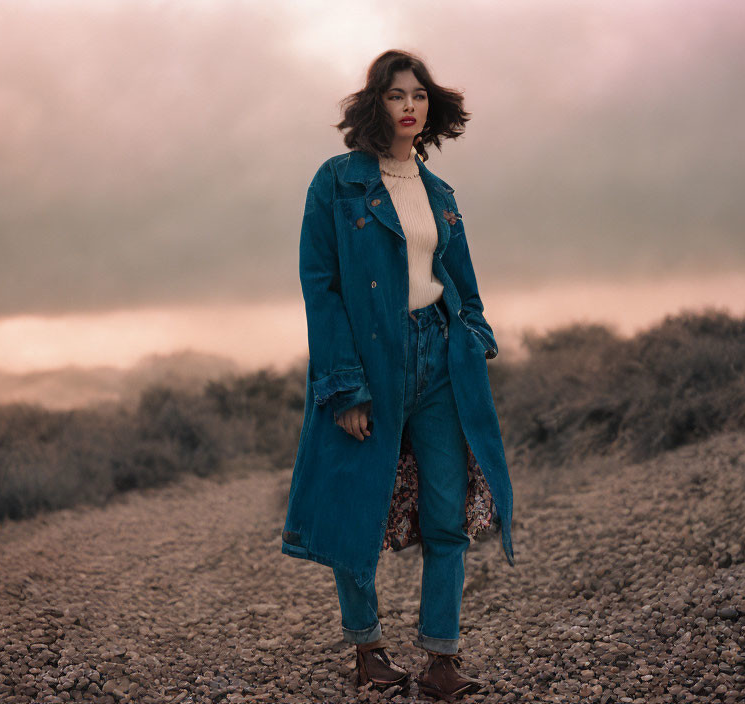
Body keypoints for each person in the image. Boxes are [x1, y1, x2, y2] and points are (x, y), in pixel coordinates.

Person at [281, 49, 515, 701]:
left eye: (418, 96)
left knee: (447, 515)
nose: (409, 106)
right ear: (374, 104)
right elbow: (320, 287)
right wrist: (343, 386)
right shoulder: (337, 183)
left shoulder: (439, 194)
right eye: (395, 95)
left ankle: (442, 662)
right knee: (358, 510)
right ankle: (369, 652)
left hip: (437, 360)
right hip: (370, 361)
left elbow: (463, 284)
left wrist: (475, 337)